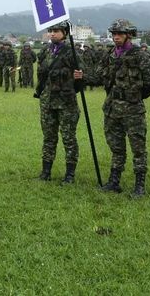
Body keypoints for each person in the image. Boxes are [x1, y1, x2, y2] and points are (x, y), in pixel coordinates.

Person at [85, 19, 150, 197]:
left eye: (120, 34)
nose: (116, 37)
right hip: (111, 109)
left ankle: (139, 186)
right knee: (116, 147)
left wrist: (133, 98)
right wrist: (82, 76)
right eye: (114, 34)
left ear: (129, 35)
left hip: (133, 110)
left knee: (138, 148)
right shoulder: (109, 55)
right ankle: (114, 181)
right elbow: (99, 77)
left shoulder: (141, 56)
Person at [34, 21, 84, 183]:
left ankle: (69, 174)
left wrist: (78, 79)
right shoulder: (44, 52)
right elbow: (41, 76)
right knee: (48, 137)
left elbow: (83, 77)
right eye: (50, 31)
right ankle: (45, 172)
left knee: (69, 138)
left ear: (65, 33)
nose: (52, 33)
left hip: (66, 103)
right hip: (47, 102)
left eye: (56, 31)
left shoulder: (72, 54)